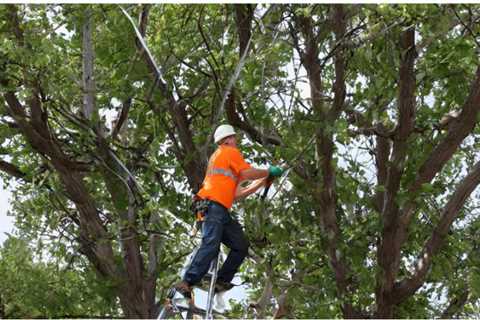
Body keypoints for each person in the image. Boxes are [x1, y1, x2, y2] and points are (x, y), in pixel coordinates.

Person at [175, 124, 283, 297]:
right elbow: (248, 173)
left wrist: (264, 180)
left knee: (240, 245)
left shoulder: (226, 164)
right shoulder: (228, 151)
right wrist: (267, 171)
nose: (237, 141)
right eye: (235, 137)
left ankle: (221, 281)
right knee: (211, 244)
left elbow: (238, 193)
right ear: (228, 139)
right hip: (211, 206)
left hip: (220, 210)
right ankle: (187, 281)